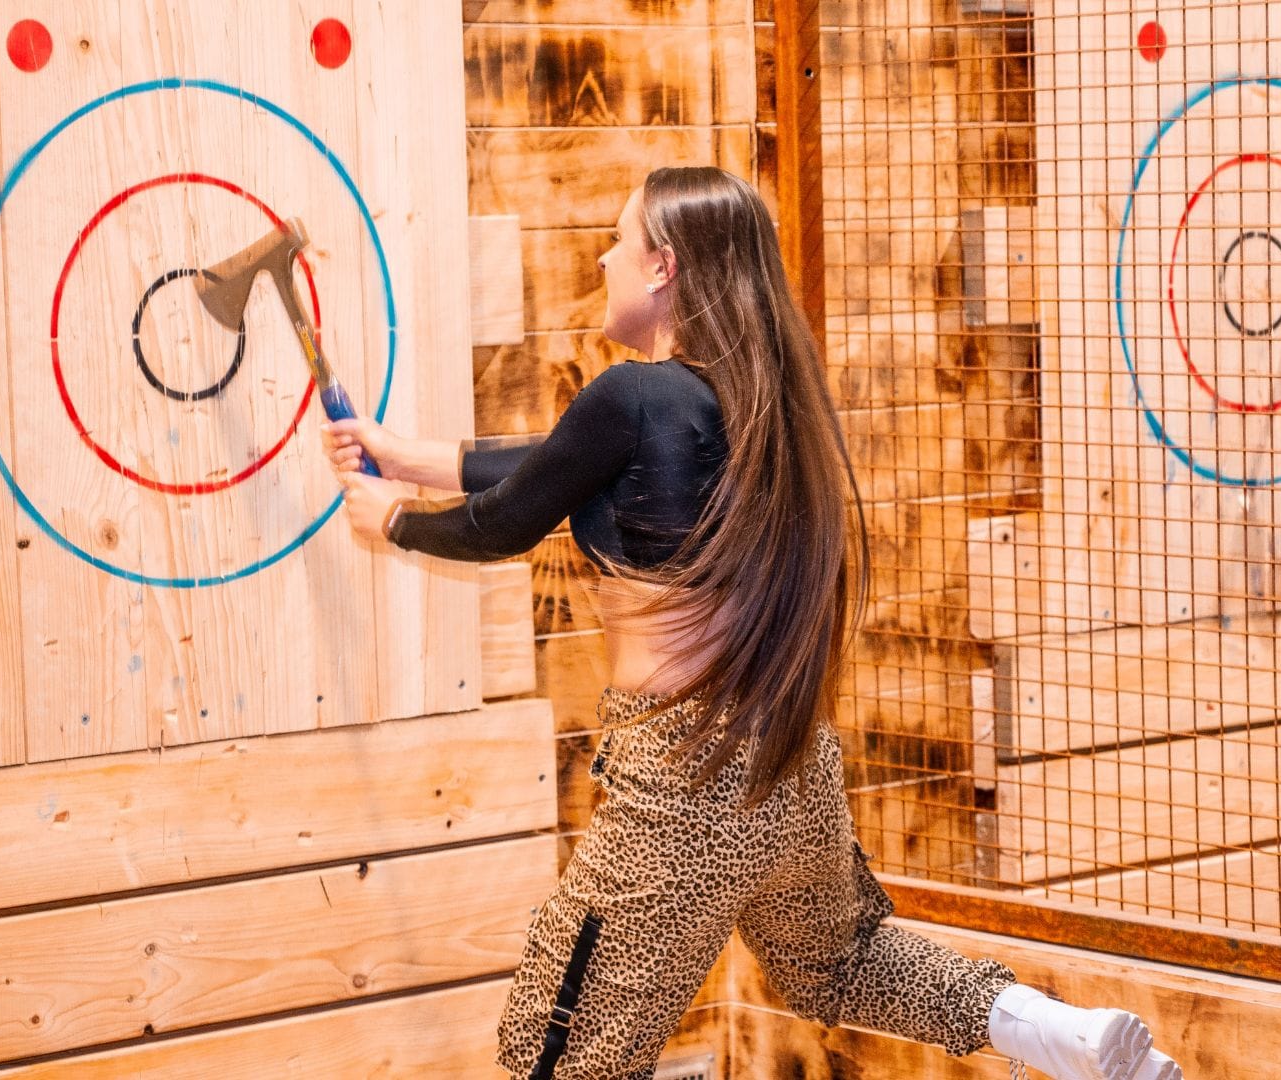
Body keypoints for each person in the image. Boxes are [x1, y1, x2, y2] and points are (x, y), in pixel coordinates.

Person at [322, 166, 1184, 1080]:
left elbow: (508, 518)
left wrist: (390, 520)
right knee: (843, 967)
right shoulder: (762, 405)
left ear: (662, 267)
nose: (604, 257)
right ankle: (1060, 1035)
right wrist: (399, 453)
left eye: (619, 240)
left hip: (681, 782)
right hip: (787, 767)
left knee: (559, 1045)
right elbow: (557, 461)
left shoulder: (631, 395)